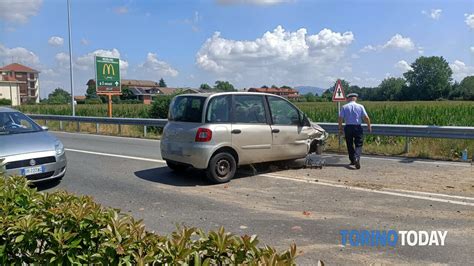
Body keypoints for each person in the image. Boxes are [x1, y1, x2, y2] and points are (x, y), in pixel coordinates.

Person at [338, 93, 372, 169]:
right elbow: (366, 117)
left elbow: (340, 118)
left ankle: (352, 160)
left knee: (349, 144)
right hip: (357, 127)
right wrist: (369, 126)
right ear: (355, 98)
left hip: (348, 127)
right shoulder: (360, 106)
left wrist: (340, 128)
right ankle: (357, 158)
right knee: (359, 144)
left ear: (348, 98)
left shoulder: (344, 107)